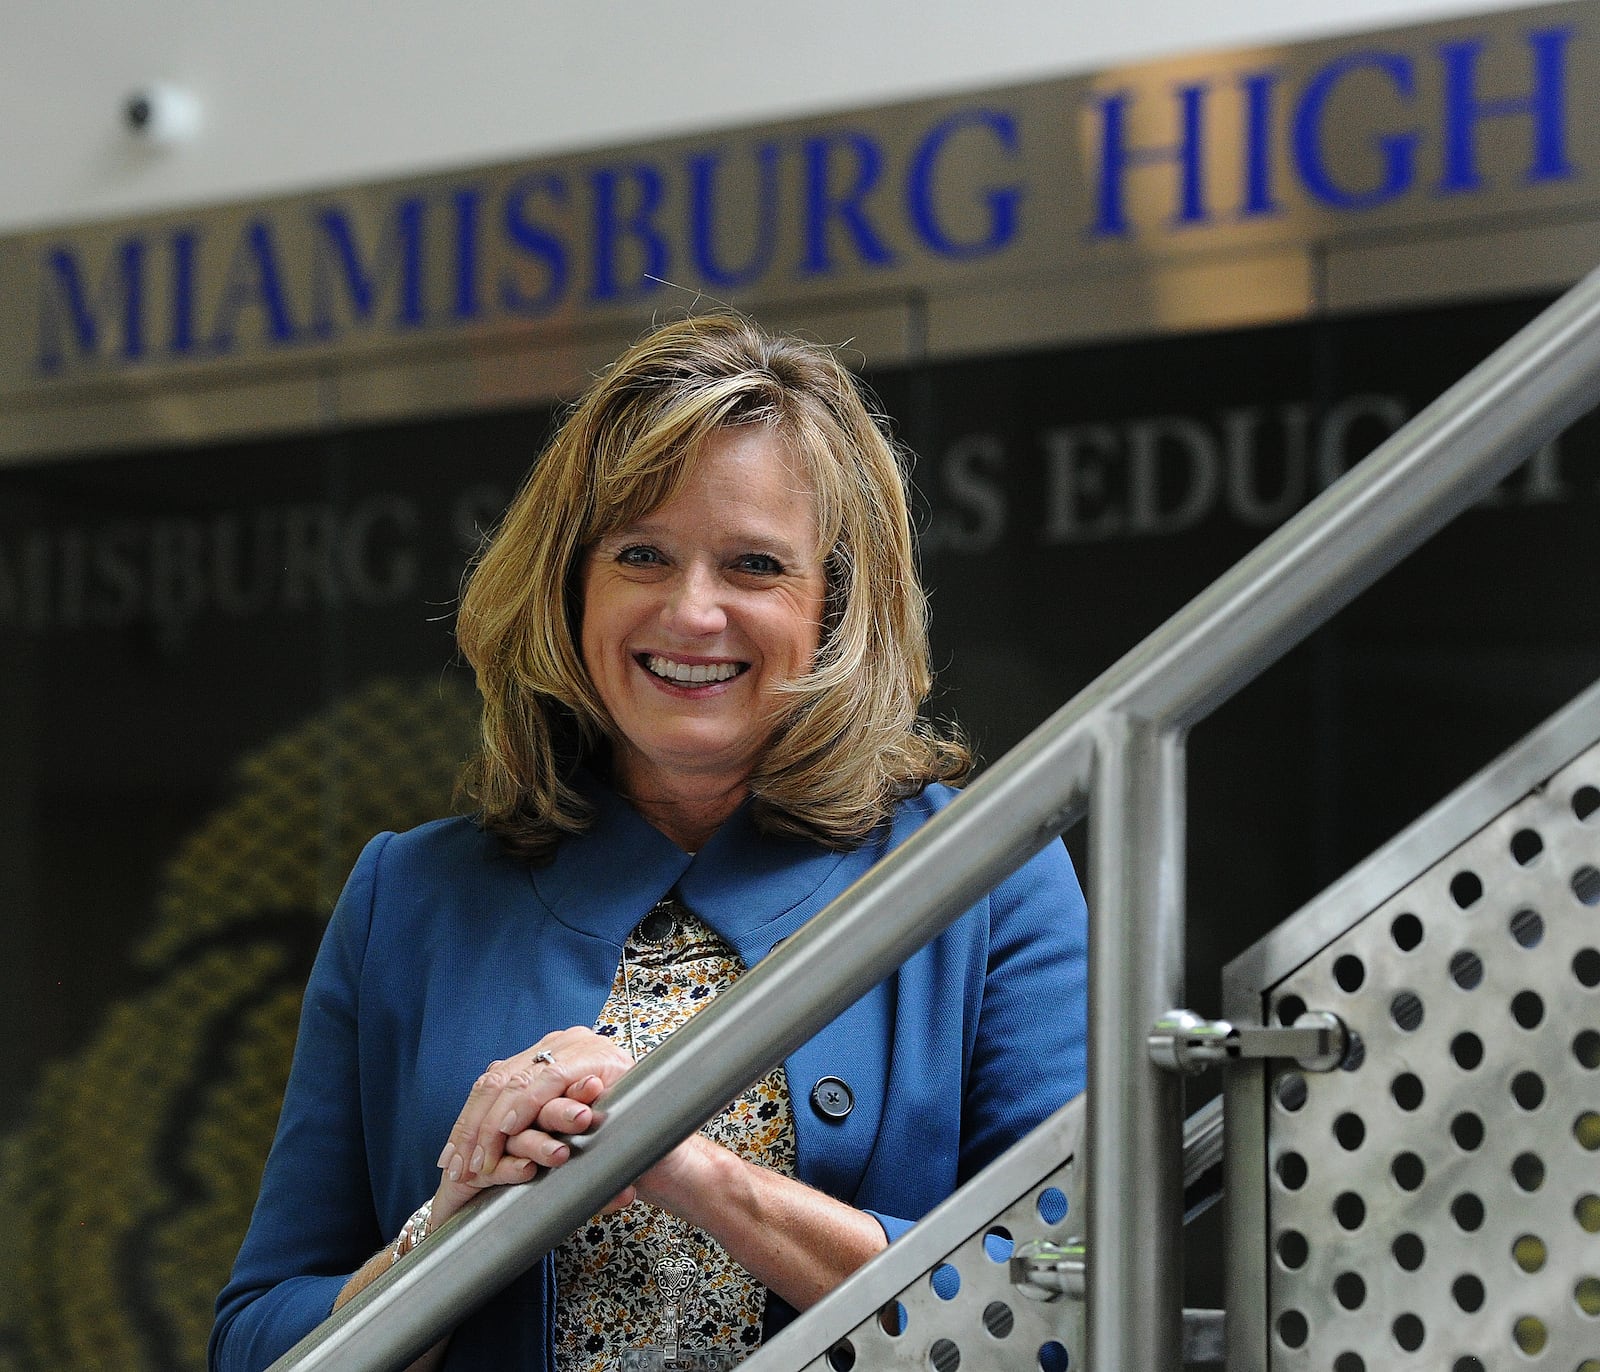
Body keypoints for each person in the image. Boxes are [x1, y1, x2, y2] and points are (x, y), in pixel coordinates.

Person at [210, 314, 1089, 1372]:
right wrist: (438, 1240)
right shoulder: (410, 893)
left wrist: (686, 1159)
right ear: (571, 583)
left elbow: (1058, 1314)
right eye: (641, 553)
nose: (691, 611)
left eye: (754, 564)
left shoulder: (988, 879)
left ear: (835, 607)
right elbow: (255, 1342)